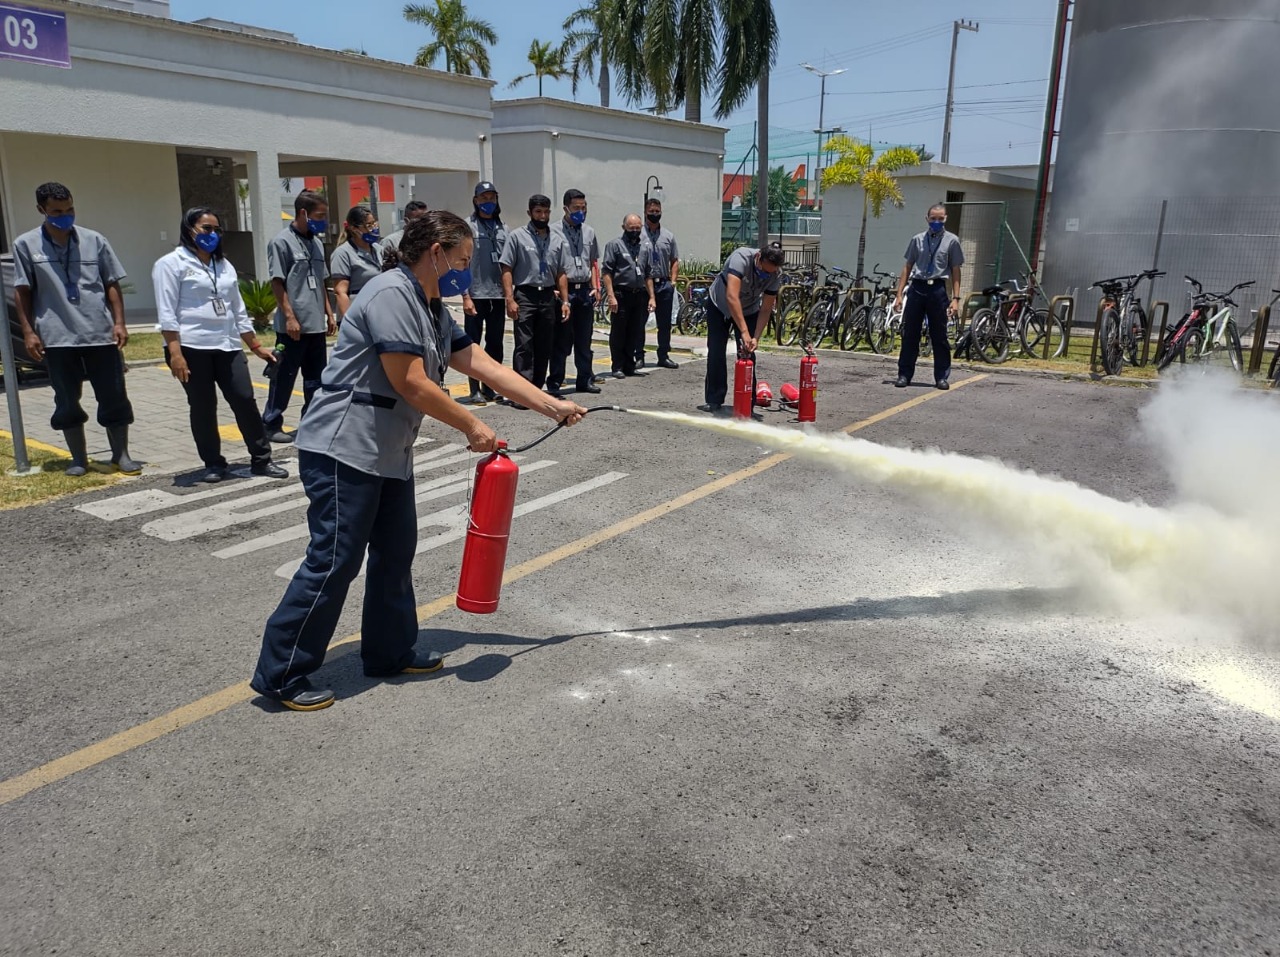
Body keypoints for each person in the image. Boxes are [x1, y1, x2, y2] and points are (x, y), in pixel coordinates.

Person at [250, 210, 587, 711]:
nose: (465, 272)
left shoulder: (430, 306)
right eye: (463, 260)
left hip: (386, 452)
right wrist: (471, 425)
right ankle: (282, 672)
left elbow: (482, 365)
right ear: (436, 253)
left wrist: (549, 405)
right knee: (334, 560)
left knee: (395, 551)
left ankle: (388, 651)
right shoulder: (389, 294)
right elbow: (411, 381)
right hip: (345, 448)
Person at [10, 181, 140, 476]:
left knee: (114, 396)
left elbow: (111, 284)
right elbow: (23, 291)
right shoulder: (25, 245)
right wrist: (29, 332)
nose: (65, 216)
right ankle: (78, 458)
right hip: (57, 338)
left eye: (69, 209)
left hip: (100, 335)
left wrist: (119, 323)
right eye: (57, 211)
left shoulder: (94, 240)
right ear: (41, 210)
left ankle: (121, 455)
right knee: (66, 399)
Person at [152, 207, 289, 483]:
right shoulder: (170, 264)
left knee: (244, 400)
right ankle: (213, 463)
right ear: (189, 230)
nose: (212, 234)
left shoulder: (223, 265)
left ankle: (261, 460)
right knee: (203, 406)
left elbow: (237, 310)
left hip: (227, 346)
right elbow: (166, 313)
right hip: (191, 348)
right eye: (206, 228)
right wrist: (175, 353)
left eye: (216, 229)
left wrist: (255, 346)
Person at [262, 189, 335, 444]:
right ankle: (271, 424)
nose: (323, 220)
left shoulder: (315, 242)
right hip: (293, 327)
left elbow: (321, 280)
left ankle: (311, 422)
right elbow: (277, 283)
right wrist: (290, 317)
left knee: (316, 379)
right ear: (303, 213)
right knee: (283, 377)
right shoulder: (281, 242)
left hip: (315, 325)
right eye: (319, 215)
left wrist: (329, 313)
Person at [500, 194, 570, 407]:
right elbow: (506, 268)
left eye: (546, 212)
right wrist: (509, 299)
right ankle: (522, 393)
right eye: (538, 212)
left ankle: (536, 391)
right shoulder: (517, 236)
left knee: (544, 345)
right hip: (525, 295)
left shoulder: (557, 239)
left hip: (548, 295)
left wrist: (565, 301)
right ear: (530, 213)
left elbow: (561, 273)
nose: (543, 216)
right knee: (524, 345)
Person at [700, 243, 784, 416]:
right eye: (763, 271)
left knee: (747, 354)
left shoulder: (775, 275)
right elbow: (732, 297)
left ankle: (747, 402)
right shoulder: (741, 258)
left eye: (770, 273)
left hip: (749, 309)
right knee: (716, 350)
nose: (765, 275)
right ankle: (714, 399)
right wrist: (744, 332)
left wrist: (755, 338)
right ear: (758, 258)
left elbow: (766, 309)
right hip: (720, 305)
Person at [892, 202, 965, 390]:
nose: (937, 222)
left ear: (946, 219)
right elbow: (907, 266)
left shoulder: (952, 241)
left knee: (939, 335)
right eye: (933, 219)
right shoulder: (917, 239)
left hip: (937, 289)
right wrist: (899, 295)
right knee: (910, 334)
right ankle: (904, 374)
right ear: (927, 219)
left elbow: (956, 270)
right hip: (917, 288)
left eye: (940, 219)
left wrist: (956, 299)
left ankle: (941, 376)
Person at [457, 181, 507, 405]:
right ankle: (474, 388)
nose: (488, 202)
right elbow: (460, 264)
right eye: (484, 198)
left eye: (492, 198)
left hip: (497, 295)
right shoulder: (467, 227)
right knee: (473, 345)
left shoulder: (502, 227)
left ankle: (491, 387)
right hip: (475, 294)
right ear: (476, 200)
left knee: (495, 344)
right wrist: (465, 296)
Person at [549, 188, 601, 394]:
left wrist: (596, 287)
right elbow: (550, 262)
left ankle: (584, 379)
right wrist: (555, 289)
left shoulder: (589, 232)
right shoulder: (553, 231)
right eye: (576, 208)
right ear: (565, 209)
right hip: (564, 291)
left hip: (584, 291)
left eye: (583, 208)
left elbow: (594, 261)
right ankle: (555, 381)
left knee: (584, 339)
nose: (581, 212)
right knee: (561, 340)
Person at [601, 215, 656, 379]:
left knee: (635, 331)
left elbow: (648, 275)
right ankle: (617, 365)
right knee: (619, 332)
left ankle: (629, 365)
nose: (635, 231)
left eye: (638, 228)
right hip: (621, 294)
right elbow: (607, 272)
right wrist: (611, 296)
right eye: (631, 228)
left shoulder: (645, 247)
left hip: (639, 294)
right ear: (624, 226)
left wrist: (652, 297)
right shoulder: (614, 245)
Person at [637, 197, 681, 370]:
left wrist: (673, 282)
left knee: (664, 324)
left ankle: (663, 355)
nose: (655, 214)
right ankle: (638, 355)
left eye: (657, 211)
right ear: (645, 212)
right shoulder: (638, 234)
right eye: (651, 212)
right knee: (640, 322)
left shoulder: (668, 236)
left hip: (663, 284)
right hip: (643, 285)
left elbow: (675, 260)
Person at [330, 205, 382, 319]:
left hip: (378, 312)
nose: (373, 228)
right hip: (357, 314)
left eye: (374, 223)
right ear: (354, 229)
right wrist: (350, 322)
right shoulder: (343, 253)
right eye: (368, 225)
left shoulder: (379, 249)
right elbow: (340, 292)